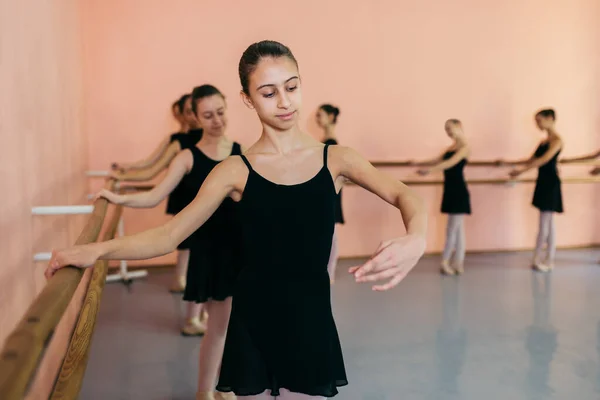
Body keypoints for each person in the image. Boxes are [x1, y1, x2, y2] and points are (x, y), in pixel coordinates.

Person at [46, 40, 427, 400]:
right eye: (268, 92)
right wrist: (95, 251)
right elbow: (169, 234)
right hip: (253, 319)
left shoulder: (337, 159)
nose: (284, 102)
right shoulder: (235, 170)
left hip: (310, 318)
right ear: (247, 99)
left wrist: (417, 237)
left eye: (291, 87)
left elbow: (404, 194)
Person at [96, 84, 240, 399]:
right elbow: (154, 194)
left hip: (236, 248)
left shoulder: (240, 151)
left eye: (220, 112)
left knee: (228, 327)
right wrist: (116, 196)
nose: (216, 121)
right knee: (218, 328)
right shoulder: (188, 156)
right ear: (196, 118)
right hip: (207, 247)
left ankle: (220, 387)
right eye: (208, 115)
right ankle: (209, 391)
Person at [113, 94, 203, 293]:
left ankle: (190, 283)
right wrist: (125, 171)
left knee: (201, 243)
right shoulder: (177, 141)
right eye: (188, 111)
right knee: (185, 240)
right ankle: (181, 280)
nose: (193, 116)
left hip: (203, 196)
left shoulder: (214, 141)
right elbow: (150, 165)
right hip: (183, 194)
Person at [508, 108, 563, 272]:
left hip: (551, 183)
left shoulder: (557, 140)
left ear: (550, 118)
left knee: (546, 224)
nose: (537, 124)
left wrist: (520, 172)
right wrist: (510, 164)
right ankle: (543, 258)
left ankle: (544, 259)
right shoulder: (543, 142)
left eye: (539, 120)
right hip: (543, 182)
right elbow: (532, 159)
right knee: (547, 223)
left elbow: (544, 160)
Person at [417, 119, 471, 275]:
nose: (448, 131)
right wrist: (418, 163)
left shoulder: (465, 147)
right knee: (458, 230)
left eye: (450, 128)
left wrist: (430, 171)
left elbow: (450, 164)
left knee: (452, 229)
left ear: (459, 126)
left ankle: (445, 261)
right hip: (450, 189)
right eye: (446, 129)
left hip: (459, 191)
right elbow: (438, 159)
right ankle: (458, 263)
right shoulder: (451, 147)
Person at [316, 104, 344, 283]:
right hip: (326, 191)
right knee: (328, 232)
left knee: (331, 233)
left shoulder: (331, 143)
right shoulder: (325, 140)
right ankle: (328, 270)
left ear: (330, 117)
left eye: (320, 115)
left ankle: (330, 272)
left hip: (330, 191)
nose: (317, 119)